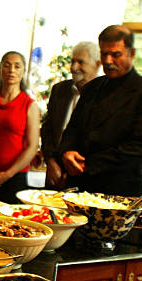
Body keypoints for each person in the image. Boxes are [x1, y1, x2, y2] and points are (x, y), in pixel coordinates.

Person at [60, 25, 142, 196]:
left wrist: (88, 164)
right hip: (78, 186)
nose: (108, 61)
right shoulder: (92, 87)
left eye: (116, 55)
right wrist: (66, 151)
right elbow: (72, 130)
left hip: (119, 189)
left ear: (132, 53)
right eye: (104, 54)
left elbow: (139, 147)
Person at [0, 51, 40, 204]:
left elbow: (32, 147)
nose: (11, 70)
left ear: (23, 71)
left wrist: (8, 174)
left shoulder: (30, 105)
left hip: (15, 177)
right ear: (1, 69)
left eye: (17, 66)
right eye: (7, 66)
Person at [41, 42, 101, 189]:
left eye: (81, 62)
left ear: (97, 65)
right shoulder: (59, 90)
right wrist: (50, 161)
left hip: (85, 177)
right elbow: (47, 130)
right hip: (54, 175)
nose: (74, 67)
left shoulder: (104, 95)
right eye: (72, 61)